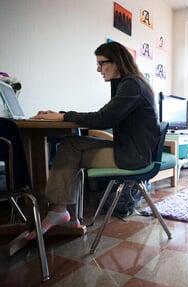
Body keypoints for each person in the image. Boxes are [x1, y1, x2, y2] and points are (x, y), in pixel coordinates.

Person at [27, 41, 160, 239]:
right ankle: (67, 215)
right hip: (132, 149)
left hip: (134, 156)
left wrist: (62, 116)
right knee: (72, 144)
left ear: (117, 62)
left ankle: (60, 211)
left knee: (71, 146)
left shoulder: (131, 84)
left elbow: (103, 118)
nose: (98, 69)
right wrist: (63, 114)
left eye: (101, 63)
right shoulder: (128, 83)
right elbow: (105, 115)